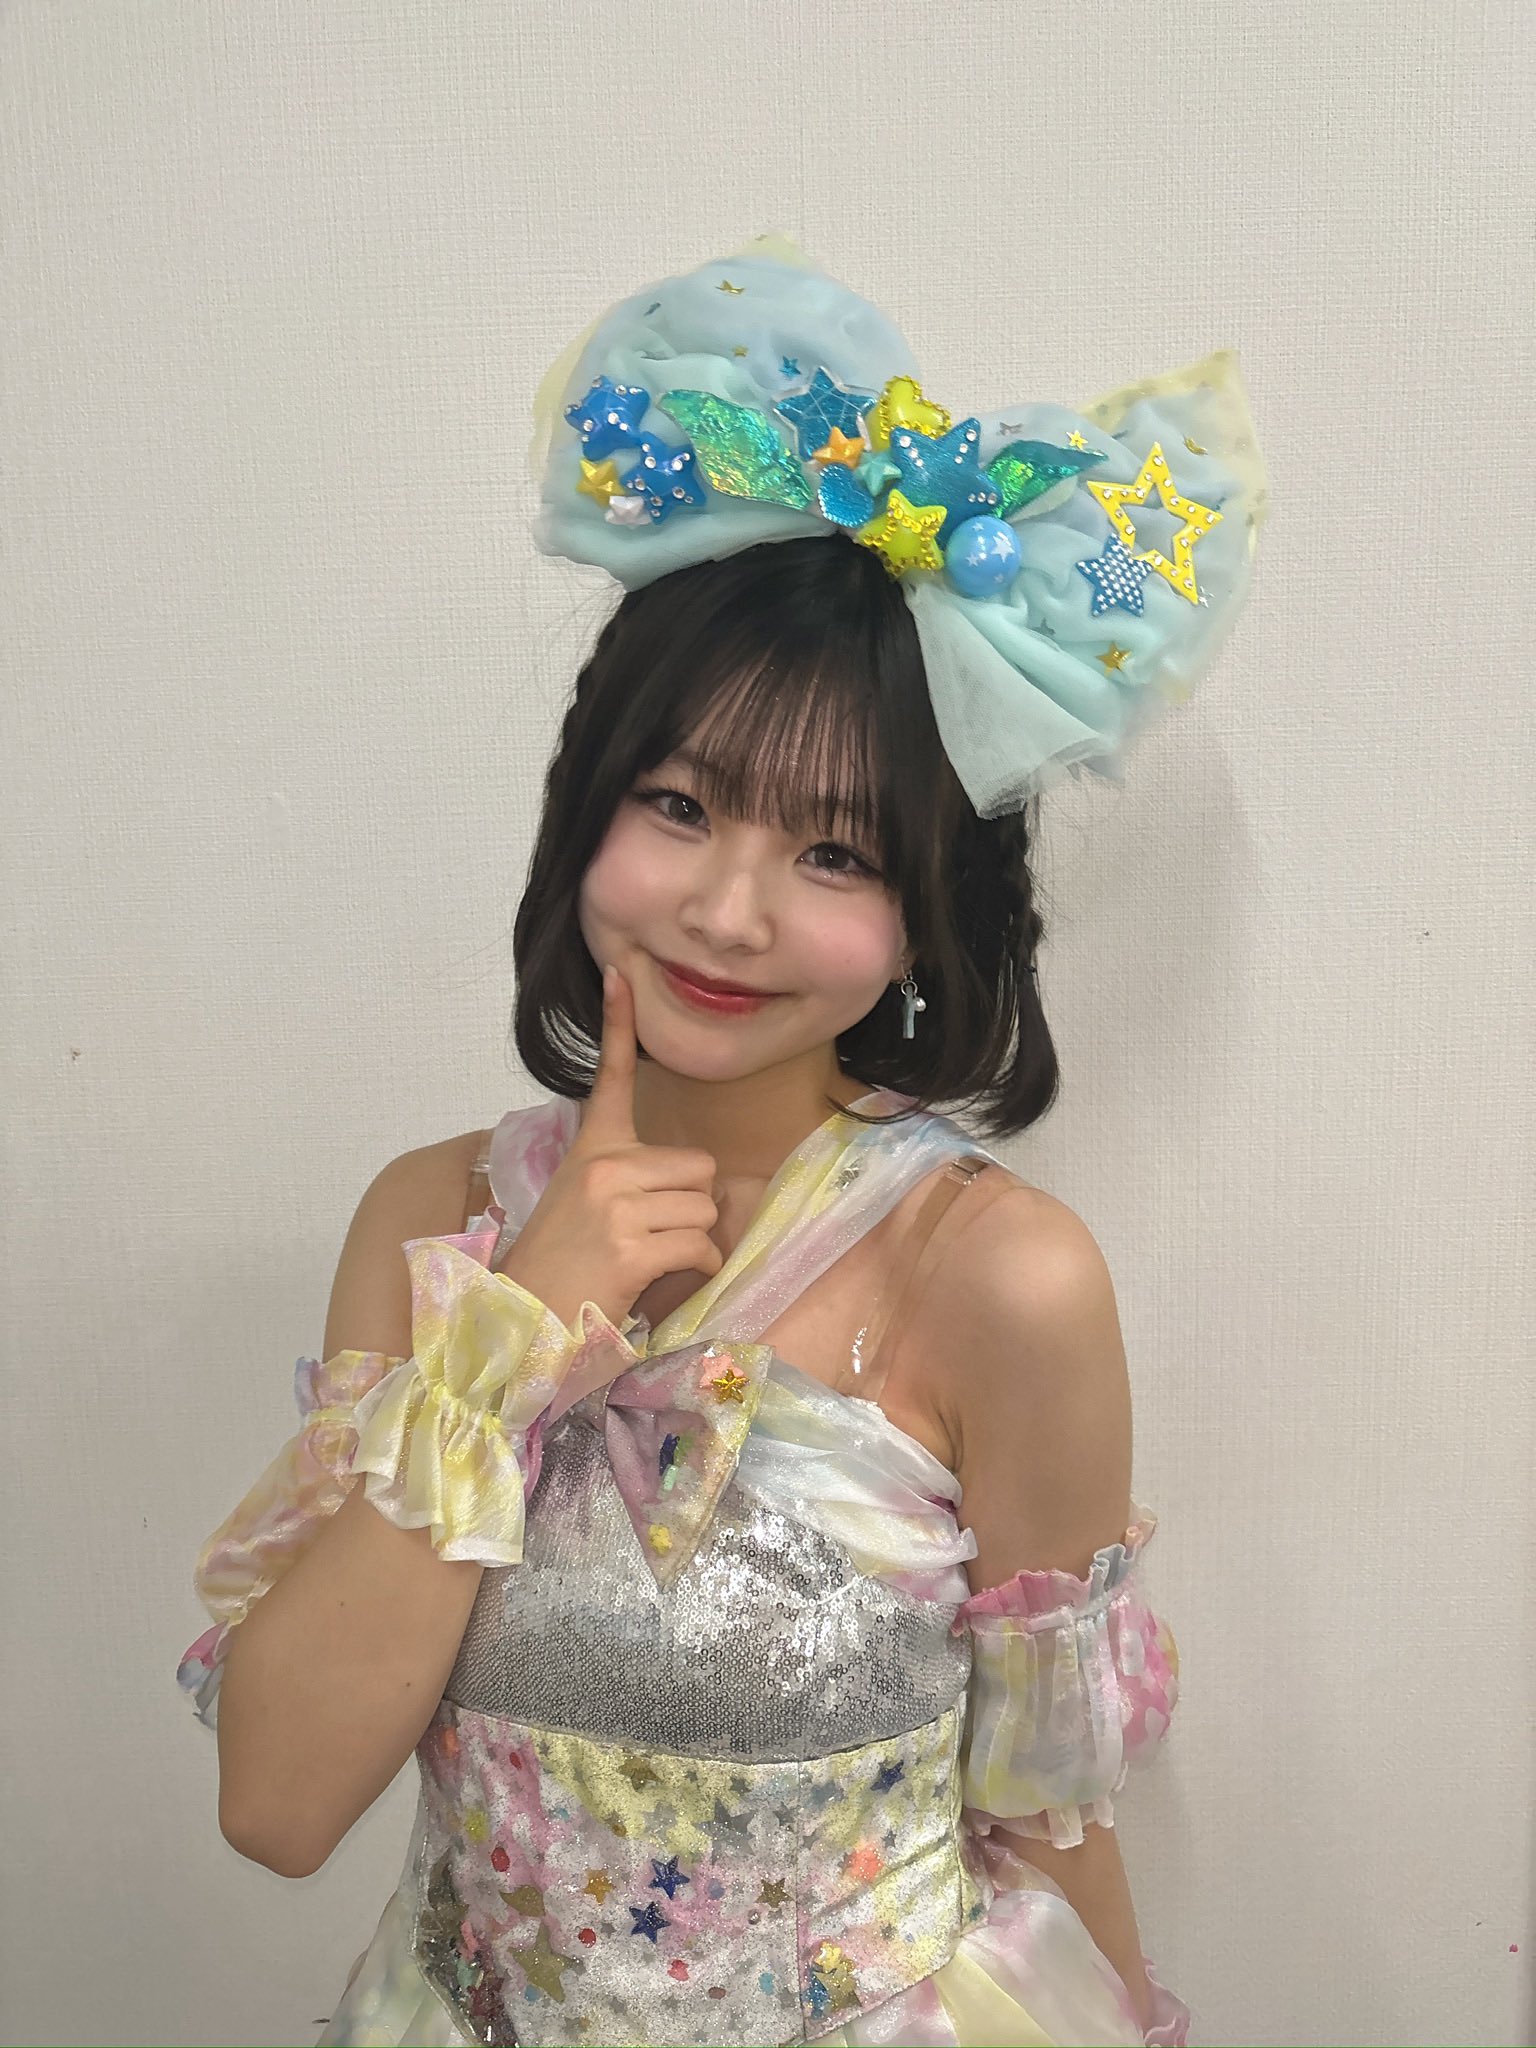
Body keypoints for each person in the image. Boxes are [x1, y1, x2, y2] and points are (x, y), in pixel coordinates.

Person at [177, 233, 1267, 2047]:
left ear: (925, 919)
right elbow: (278, 1804)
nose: (730, 911)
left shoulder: (1001, 1280)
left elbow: (1046, 1818)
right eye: (678, 805)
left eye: (834, 852)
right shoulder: (435, 1215)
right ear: (582, 815)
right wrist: (516, 1329)